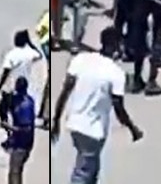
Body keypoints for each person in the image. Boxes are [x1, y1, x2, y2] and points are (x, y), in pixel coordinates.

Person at [52, 26, 143, 183]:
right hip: (93, 131)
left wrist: (56, 120)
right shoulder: (115, 73)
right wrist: (133, 128)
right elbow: (118, 107)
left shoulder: (81, 60)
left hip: (74, 124)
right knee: (83, 173)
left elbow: (65, 90)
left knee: (92, 170)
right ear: (116, 45)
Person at [0, 30, 43, 122]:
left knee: (3, 108)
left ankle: (7, 126)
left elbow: (6, 71)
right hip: (24, 86)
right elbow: (39, 55)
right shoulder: (30, 53)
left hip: (11, 87)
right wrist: (30, 43)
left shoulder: (11, 54)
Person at [2, 77, 36, 184]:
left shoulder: (25, 105)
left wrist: (8, 126)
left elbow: (26, 129)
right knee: (15, 171)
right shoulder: (22, 99)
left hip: (23, 143)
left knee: (15, 171)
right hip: (18, 141)